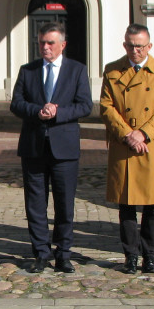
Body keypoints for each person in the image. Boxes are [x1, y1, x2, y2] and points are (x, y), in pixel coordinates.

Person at [10, 23, 92, 273]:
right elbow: (16, 103)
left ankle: (64, 253)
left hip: (64, 146)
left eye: (50, 43)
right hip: (34, 146)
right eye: (42, 42)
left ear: (62, 45)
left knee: (64, 203)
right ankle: (41, 252)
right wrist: (37, 111)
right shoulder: (28, 71)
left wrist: (58, 112)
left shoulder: (77, 70)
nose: (45, 47)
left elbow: (85, 106)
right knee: (35, 203)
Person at [99, 24, 154, 273]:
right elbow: (106, 107)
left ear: (149, 46)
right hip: (125, 146)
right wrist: (127, 134)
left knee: (153, 206)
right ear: (124, 45)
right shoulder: (112, 70)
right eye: (131, 45)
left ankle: (150, 255)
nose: (135, 51)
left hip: (150, 145)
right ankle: (130, 255)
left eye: (140, 46)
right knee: (127, 205)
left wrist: (143, 133)